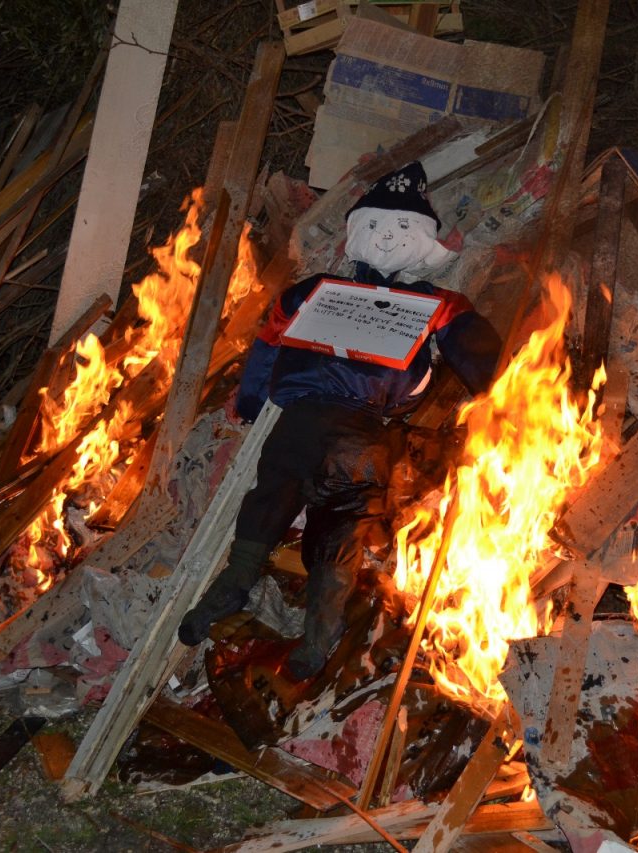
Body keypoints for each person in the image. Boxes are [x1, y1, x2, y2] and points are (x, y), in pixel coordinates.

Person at [177, 161, 501, 680]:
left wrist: (252, 402)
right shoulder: (437, 304)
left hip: (305, 423)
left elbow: (268, 343)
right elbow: (481, 356)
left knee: (271, 497)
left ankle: (225, 592)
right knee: (340, 529)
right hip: (363, 435)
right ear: (358, 232)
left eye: (399, 229)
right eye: (376, 225)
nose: (387, 237)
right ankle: (316, 638)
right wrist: (500, 396)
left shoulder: (315, 290)